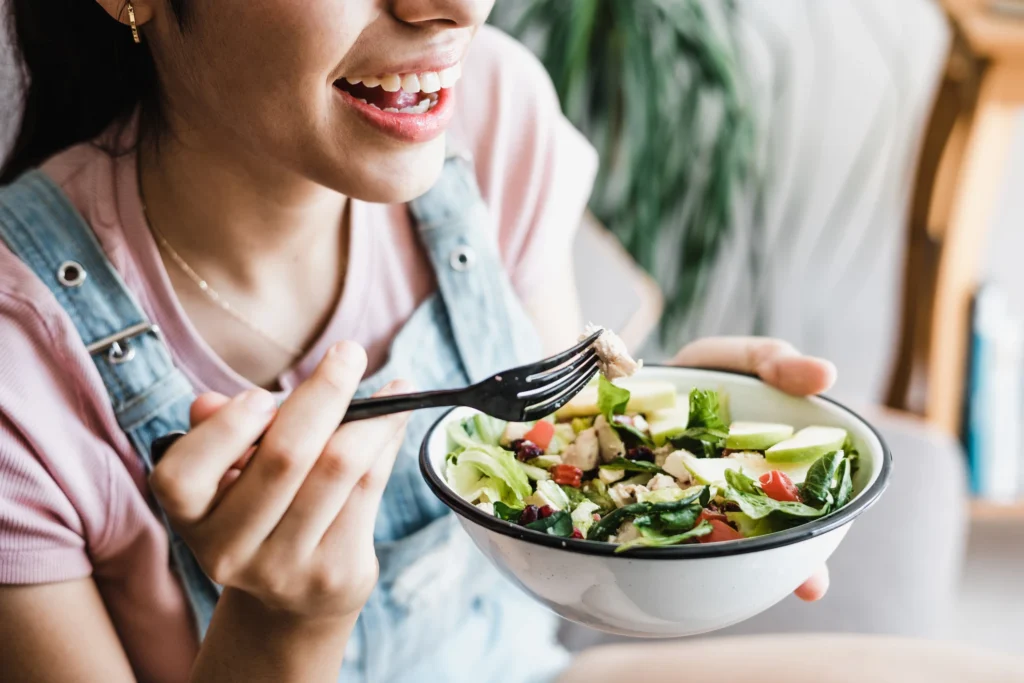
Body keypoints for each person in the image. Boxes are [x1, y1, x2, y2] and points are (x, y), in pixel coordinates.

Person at [0, 2, 1019, 682]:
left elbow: (563, 443)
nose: (453, 7)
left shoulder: (488, 109)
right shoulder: (19, 364)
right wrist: (278, 633)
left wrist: (669, 447)